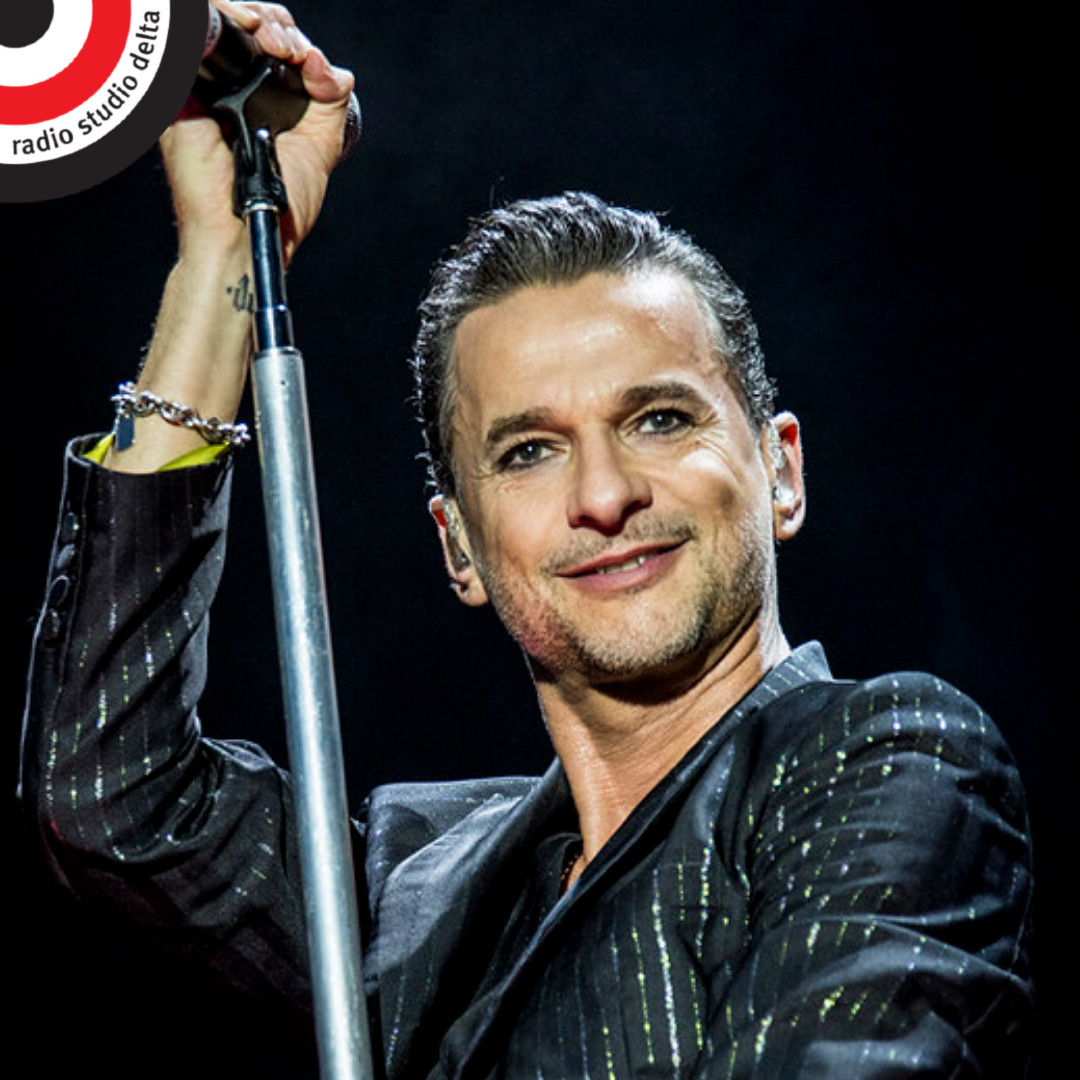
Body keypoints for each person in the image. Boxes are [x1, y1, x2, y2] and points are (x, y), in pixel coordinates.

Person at [18, 2, 1035, 1077]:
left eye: (659, 419)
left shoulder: (884, 760)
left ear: (780, 470)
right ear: (458, 547)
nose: (604, 495)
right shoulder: (411, 884)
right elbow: (111, 795)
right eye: (528, 452)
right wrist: (223, 261)